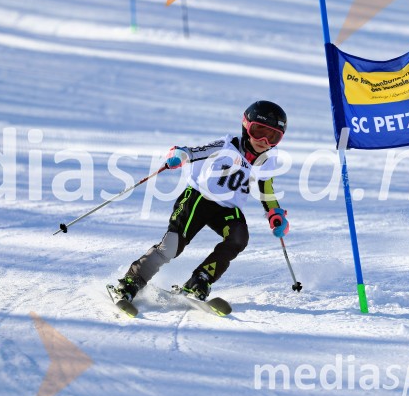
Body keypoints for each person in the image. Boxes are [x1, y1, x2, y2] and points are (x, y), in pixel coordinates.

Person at [111, 101, 290, 303]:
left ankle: (200, 280)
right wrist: (179, 155)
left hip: (228, 208)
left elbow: (267, 189)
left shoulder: (268, 159)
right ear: (246, 126)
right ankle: (132, 281)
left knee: (238, 239)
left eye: (273, 137)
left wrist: (275, 213)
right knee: (171, 247)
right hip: (199, 198)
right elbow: (191, 152)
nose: (264, 141)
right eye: (258, 131)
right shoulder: (225, 145)